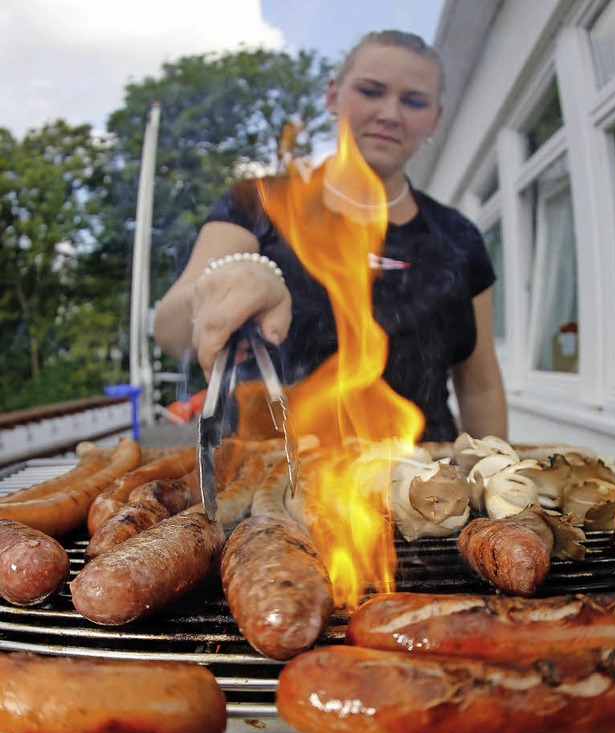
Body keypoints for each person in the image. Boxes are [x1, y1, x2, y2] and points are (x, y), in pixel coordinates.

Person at [153, 30, 508, 443]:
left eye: (413, 101)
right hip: (272, 478)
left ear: (435, 119)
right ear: (333, 96)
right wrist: (229, 280)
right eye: (371, 91)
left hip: (424, 487)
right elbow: (171, 331)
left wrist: (501, 476)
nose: (390, 113)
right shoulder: (259, 202)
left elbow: (479, 383)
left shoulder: (459, 236)